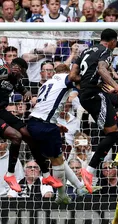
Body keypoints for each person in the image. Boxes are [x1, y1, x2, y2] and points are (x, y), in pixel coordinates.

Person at [69, 28, 118, 194]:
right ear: (112, 41)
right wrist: (115, 85)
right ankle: (89, 171)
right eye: (116, 42)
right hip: (94, 95)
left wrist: (93, 84)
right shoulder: (106, 51)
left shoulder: (85, 51)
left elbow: (72, 76)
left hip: (89, 93)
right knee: (113, 134)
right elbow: (102, 69)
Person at [27, 64, 91, 204]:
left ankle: (79, 187)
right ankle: (61, 196)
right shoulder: (64, 79)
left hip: (33, 123)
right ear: (68, 73)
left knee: (58, 159)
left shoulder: (47, 83)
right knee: (58, 163)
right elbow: (76, 83)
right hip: (46, 126)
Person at [0, 58, 61, 193]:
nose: (21, 76)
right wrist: (7, 73)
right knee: (16, 137)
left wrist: (27, 93)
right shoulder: (4, 70)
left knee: (29, 136)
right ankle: (10, 175)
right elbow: (5, 75)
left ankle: (46, 175)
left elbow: (23, 90)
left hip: (2, 111)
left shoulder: (15, 80)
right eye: (21, 73)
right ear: (17, 68)